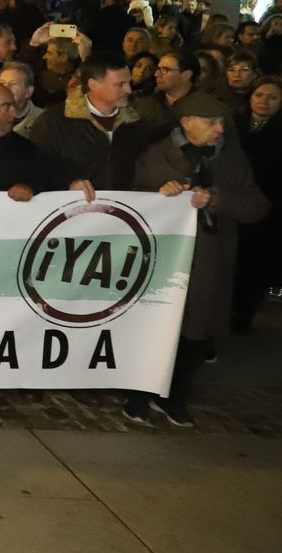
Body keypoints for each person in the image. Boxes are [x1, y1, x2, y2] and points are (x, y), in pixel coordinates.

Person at [127, 93, 268, 427]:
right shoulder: (154, 156)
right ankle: (138, 394)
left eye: (222, 123)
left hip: (209, 261)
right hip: (162, 261)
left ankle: (175, 396)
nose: (219, 129)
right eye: (211, 122)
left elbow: (258, 207)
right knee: (155, 327)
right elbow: (130, 201)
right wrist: (158, 197)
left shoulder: (233, 159)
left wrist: (217, 199)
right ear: (186, 121)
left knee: (195, 331)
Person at [0, 83, 94, 202]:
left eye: (13, 106)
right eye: (6, 107)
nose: (14, 113)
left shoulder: (25, 149)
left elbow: (52, 176)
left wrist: (31, 187)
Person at [26, 57, 145, 191]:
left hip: (122, 208)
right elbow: (36, 168)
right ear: (93, 85)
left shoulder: (135, 121)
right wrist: (69, 183)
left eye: (129, 83)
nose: (128, 90)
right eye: (120, 84)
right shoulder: (52, 122)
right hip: (72, 207)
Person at [234, 76, 282, 331]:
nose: (264, 102)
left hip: (269, 206)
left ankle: (244, 315)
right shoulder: (233, 124)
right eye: (259, 95)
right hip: (234, 202)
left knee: (256, 262)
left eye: (273, 97)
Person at [0, 61, 44, 137]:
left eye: (13, 84)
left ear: (28, 91)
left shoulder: (44, 120)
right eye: (1, 83)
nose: (5, 88)